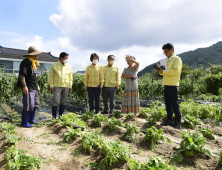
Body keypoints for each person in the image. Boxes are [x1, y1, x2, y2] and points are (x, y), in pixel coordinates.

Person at [156, 43, 182, 129]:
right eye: (164, 52)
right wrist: (161, 71)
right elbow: (165, 73)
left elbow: (176, 71)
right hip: (166, 83)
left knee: (174, 104)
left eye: (166, 51)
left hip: (173, 84)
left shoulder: (176, 59)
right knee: (168, 104)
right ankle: (169, 120)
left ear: (171, 50)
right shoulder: (167, 60)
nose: (165, 53)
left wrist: (163, 72)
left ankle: (177, 122)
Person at [16, 46, 43, 127]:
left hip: (34, 88)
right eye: (37, 54)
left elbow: (34, 76)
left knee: (35, 104)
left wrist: (37, 86)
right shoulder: (25, 62)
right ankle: (24, 122)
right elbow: (22, 76)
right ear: (32, 54)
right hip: (28, 88)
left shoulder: (33, 63)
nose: (38, 55)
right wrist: (24, 86)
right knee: (28, 105)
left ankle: (31, 120)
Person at [48, 52, 73, 119]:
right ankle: (54, 117)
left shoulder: (68, 66)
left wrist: (70, 86)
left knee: (63, 101)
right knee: (56, 100)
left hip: (66, 86)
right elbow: (50, 76)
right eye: (65, 58)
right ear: (61, 58)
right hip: (57, 85)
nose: (67, 60)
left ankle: (61, 116)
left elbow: (70, 77)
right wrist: (51, 85)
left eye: (67, 58)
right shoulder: (54, 65)